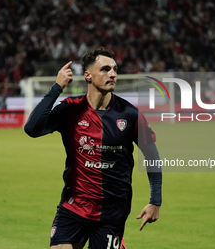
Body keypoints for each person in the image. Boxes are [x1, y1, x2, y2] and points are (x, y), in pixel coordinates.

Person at [24, 47, 162, 249]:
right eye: (105, 69)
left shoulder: (130, 114)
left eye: (115, 69)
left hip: (111, 212)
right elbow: (32, 129)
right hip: (74, 206)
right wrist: (57, 87)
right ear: (87, 75)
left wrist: (155, 200)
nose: (113, 74)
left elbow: (152, 155)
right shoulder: (71, 108)